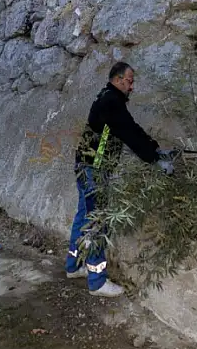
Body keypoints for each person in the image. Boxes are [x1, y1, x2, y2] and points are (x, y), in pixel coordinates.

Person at [66, 61, 176, 297]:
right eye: (129, 81)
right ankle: (96, 281)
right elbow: (128, 133)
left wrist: (155, 149)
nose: (132, 86)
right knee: (98, 221)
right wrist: (154, 159)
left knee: (84, 215)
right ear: (117, 80)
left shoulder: (110, 99)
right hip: (94, 169)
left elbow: (130, 128)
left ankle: (73, 266)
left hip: (87, 165)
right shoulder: (111, 102)